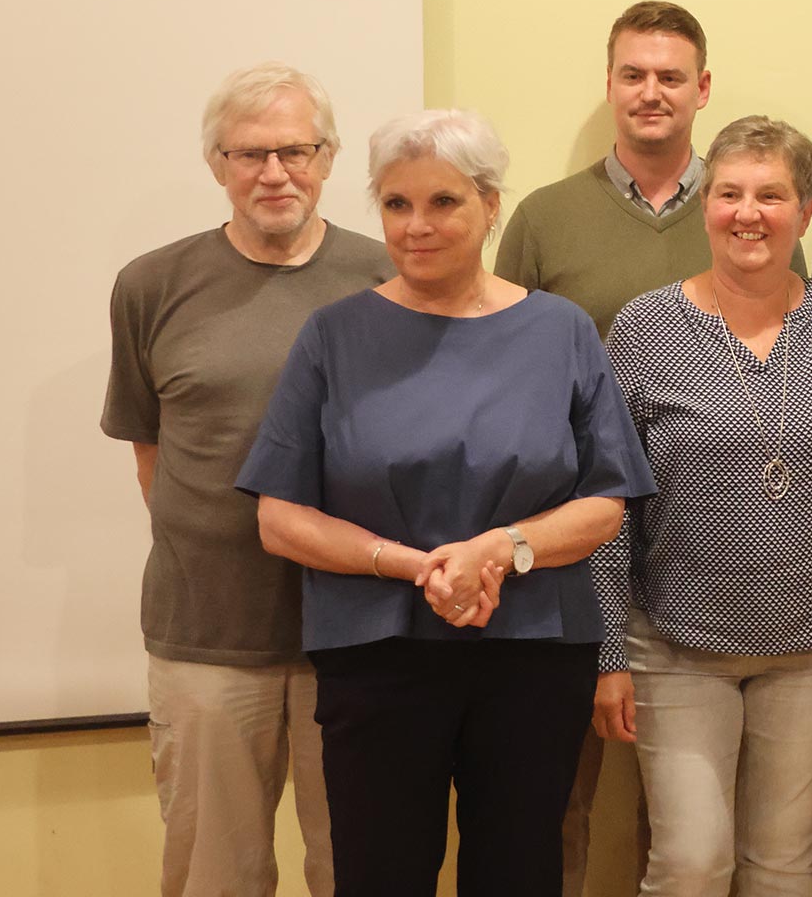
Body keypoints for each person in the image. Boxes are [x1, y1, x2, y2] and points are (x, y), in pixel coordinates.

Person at [239, 108, 652, 897]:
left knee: (520, 873)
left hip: (533, 653)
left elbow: (606, 502)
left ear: (490, 206)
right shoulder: (333, 336)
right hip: (377, 655)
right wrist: (413, 567)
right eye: (397, 204)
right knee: (380, 876)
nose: (417, 225)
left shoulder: (560, 331)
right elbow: (279, 518)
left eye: (443, 202)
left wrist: (497, 550)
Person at [492, 0, 801, 891]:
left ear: (703, 89)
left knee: (687, 827)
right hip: (563, 551)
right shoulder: (545, 218)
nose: (651, 92)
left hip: (704, 567)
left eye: (671, 76)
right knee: (555, 792)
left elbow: (792, 364)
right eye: (633, 74)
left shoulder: (750, 210)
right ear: (609, 85)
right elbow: (495, 363)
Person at [102, 62, 392, 897]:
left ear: (328, 157)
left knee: (363, 870)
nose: (275, 173)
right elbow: (151, 450)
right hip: (207, 641)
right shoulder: (152, 286)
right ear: (216, 164)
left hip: (359, 638)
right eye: (250, 154)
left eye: (295, 151)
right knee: (214, 877)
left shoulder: (387, 280)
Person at [596, 115, 812, 897]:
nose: (747, 213)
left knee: (784, 861)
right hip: (676, 642)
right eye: (728, 193)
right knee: (691, 861)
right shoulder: (644, 327)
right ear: (705, 204)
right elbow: (608, 504)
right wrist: (609, 651)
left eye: (770, 195)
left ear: (805, 209)